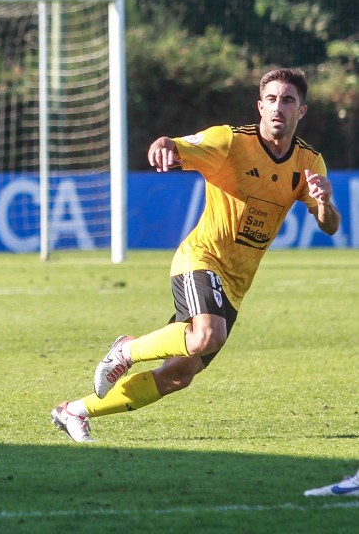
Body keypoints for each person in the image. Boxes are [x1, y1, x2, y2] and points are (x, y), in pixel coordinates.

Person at [51, 68, 341, 443]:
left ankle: (74, 411)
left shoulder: (308, 162)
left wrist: (325, 202)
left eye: (287, 100)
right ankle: (126, 350)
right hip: (202, 258)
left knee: (178, 375)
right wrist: (165, 144)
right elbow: (177, 144)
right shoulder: (230, 141)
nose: (278, 107)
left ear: (302, 111)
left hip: (236, 284)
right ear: (259, 106)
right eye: (271, 99)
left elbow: (330, 226)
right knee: (207, 335)